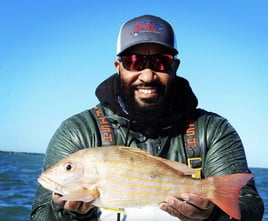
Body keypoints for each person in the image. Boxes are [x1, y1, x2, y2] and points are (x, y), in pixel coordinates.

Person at [30, 15, 264, 221]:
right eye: (134, 62)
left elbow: (249, 206)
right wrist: (65, 214)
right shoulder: (78, 131)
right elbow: (40, 216)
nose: (147, 74)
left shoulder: (212, 130)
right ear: (118, 67)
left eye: (161, 62)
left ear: (174, 67)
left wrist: (212, 215)